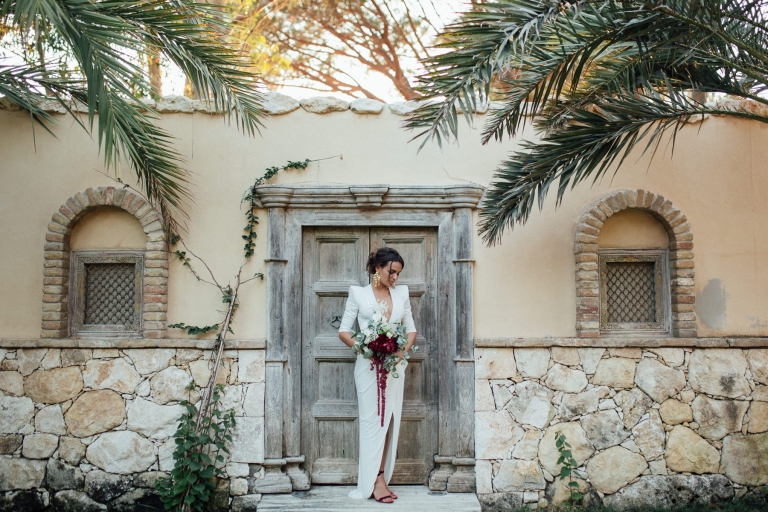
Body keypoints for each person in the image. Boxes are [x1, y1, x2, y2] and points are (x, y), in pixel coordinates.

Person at [338, 247, 418, 503]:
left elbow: (411, 330)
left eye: (398, 274)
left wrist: (401, 351)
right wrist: (367, 348)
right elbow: (343, 331)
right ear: (377, 268)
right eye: (391, 272)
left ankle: (381, 475)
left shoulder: (402, 293)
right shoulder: (358, 294)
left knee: (388, 420)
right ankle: (373, 481)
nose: (395, 278)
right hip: (367, 367)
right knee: (372, 421)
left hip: (393, 368)